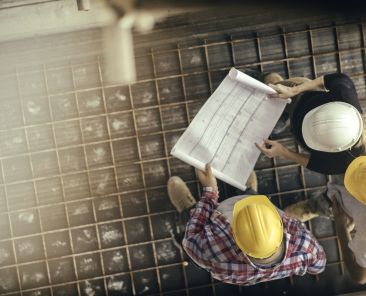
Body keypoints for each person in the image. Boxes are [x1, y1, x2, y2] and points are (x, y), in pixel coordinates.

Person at [167, 164, 326, 285]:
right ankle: (249, 192)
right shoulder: (304, 246)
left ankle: (188, 207)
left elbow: (191, 239)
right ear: (280, 227)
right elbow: (319, 266)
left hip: (217, 211)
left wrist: (210, 191)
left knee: (193, 217)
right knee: (254, 197)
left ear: (234, 235)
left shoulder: (215, 254)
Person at [256, 73, 365, 175]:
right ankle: (271, 78)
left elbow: (312, 163)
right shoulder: (344, 92)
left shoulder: (344, 162)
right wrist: (293, 90)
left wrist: (281, 151)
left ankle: (283, 118)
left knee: (275, 120)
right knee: (271, 86)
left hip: (298, 131)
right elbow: (324, 80)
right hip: (302, 96)